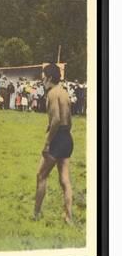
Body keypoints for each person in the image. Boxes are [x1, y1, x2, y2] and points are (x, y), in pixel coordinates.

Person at [34, 64, 74, 224]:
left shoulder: (52, 93)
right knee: (65, 180)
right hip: (67, 138)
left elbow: (56, 119)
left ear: (49, 77)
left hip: (57, 139)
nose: (42, 79)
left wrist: (47, 142)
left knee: (41, 175)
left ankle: (36, 214)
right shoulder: (64, 92)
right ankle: (68, 216)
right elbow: (68, 120)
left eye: (43, 76)